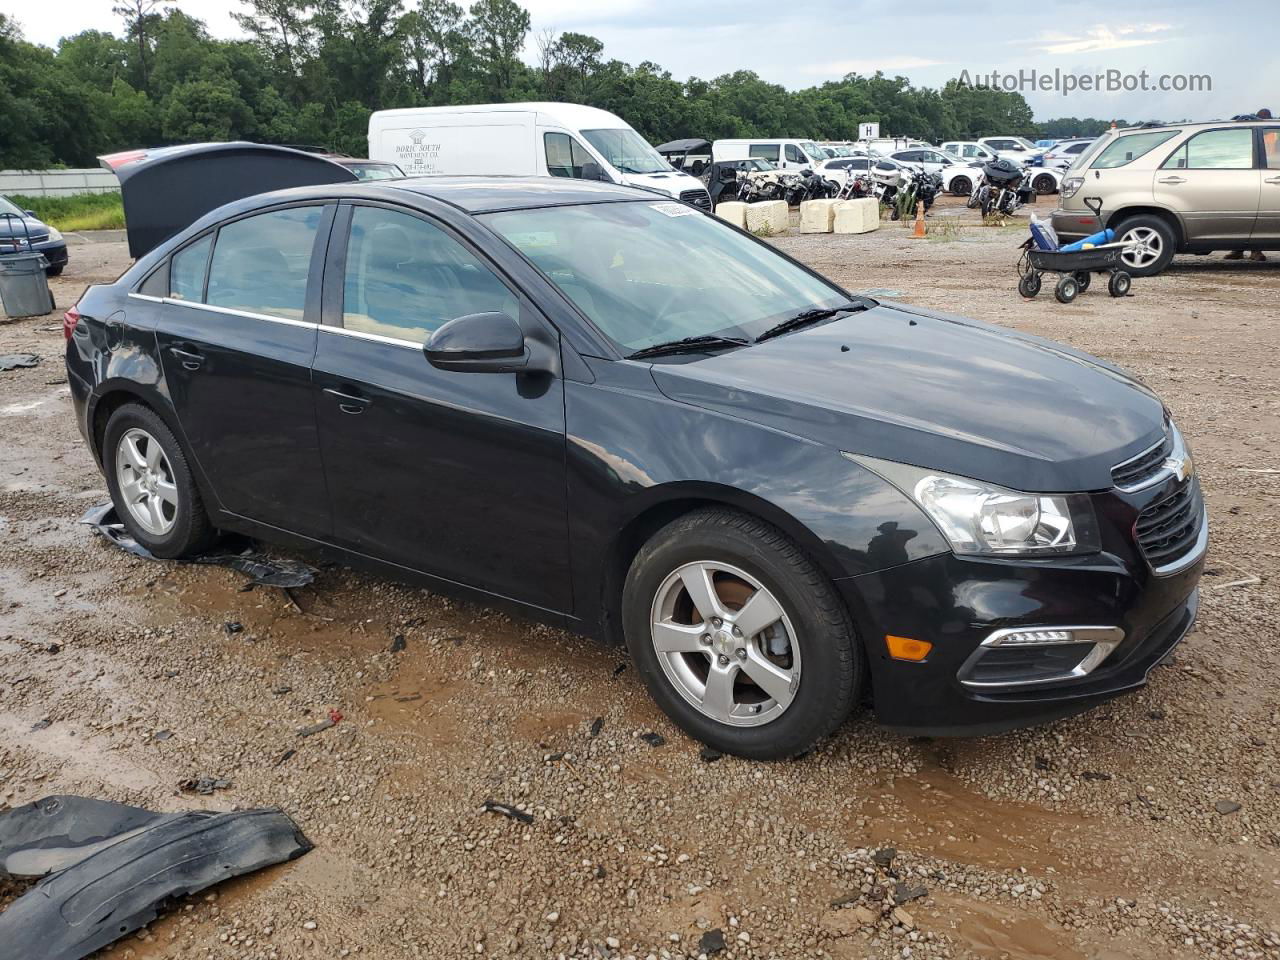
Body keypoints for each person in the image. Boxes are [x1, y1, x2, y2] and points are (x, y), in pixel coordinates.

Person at [1226, 108, 1273, 262]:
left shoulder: (1269, 135)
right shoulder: (1252, 136)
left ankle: (1254, 250)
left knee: (1258, 216)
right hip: (1247, 179)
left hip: (1265, 178)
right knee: (1245, 215)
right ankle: (1239, 250)